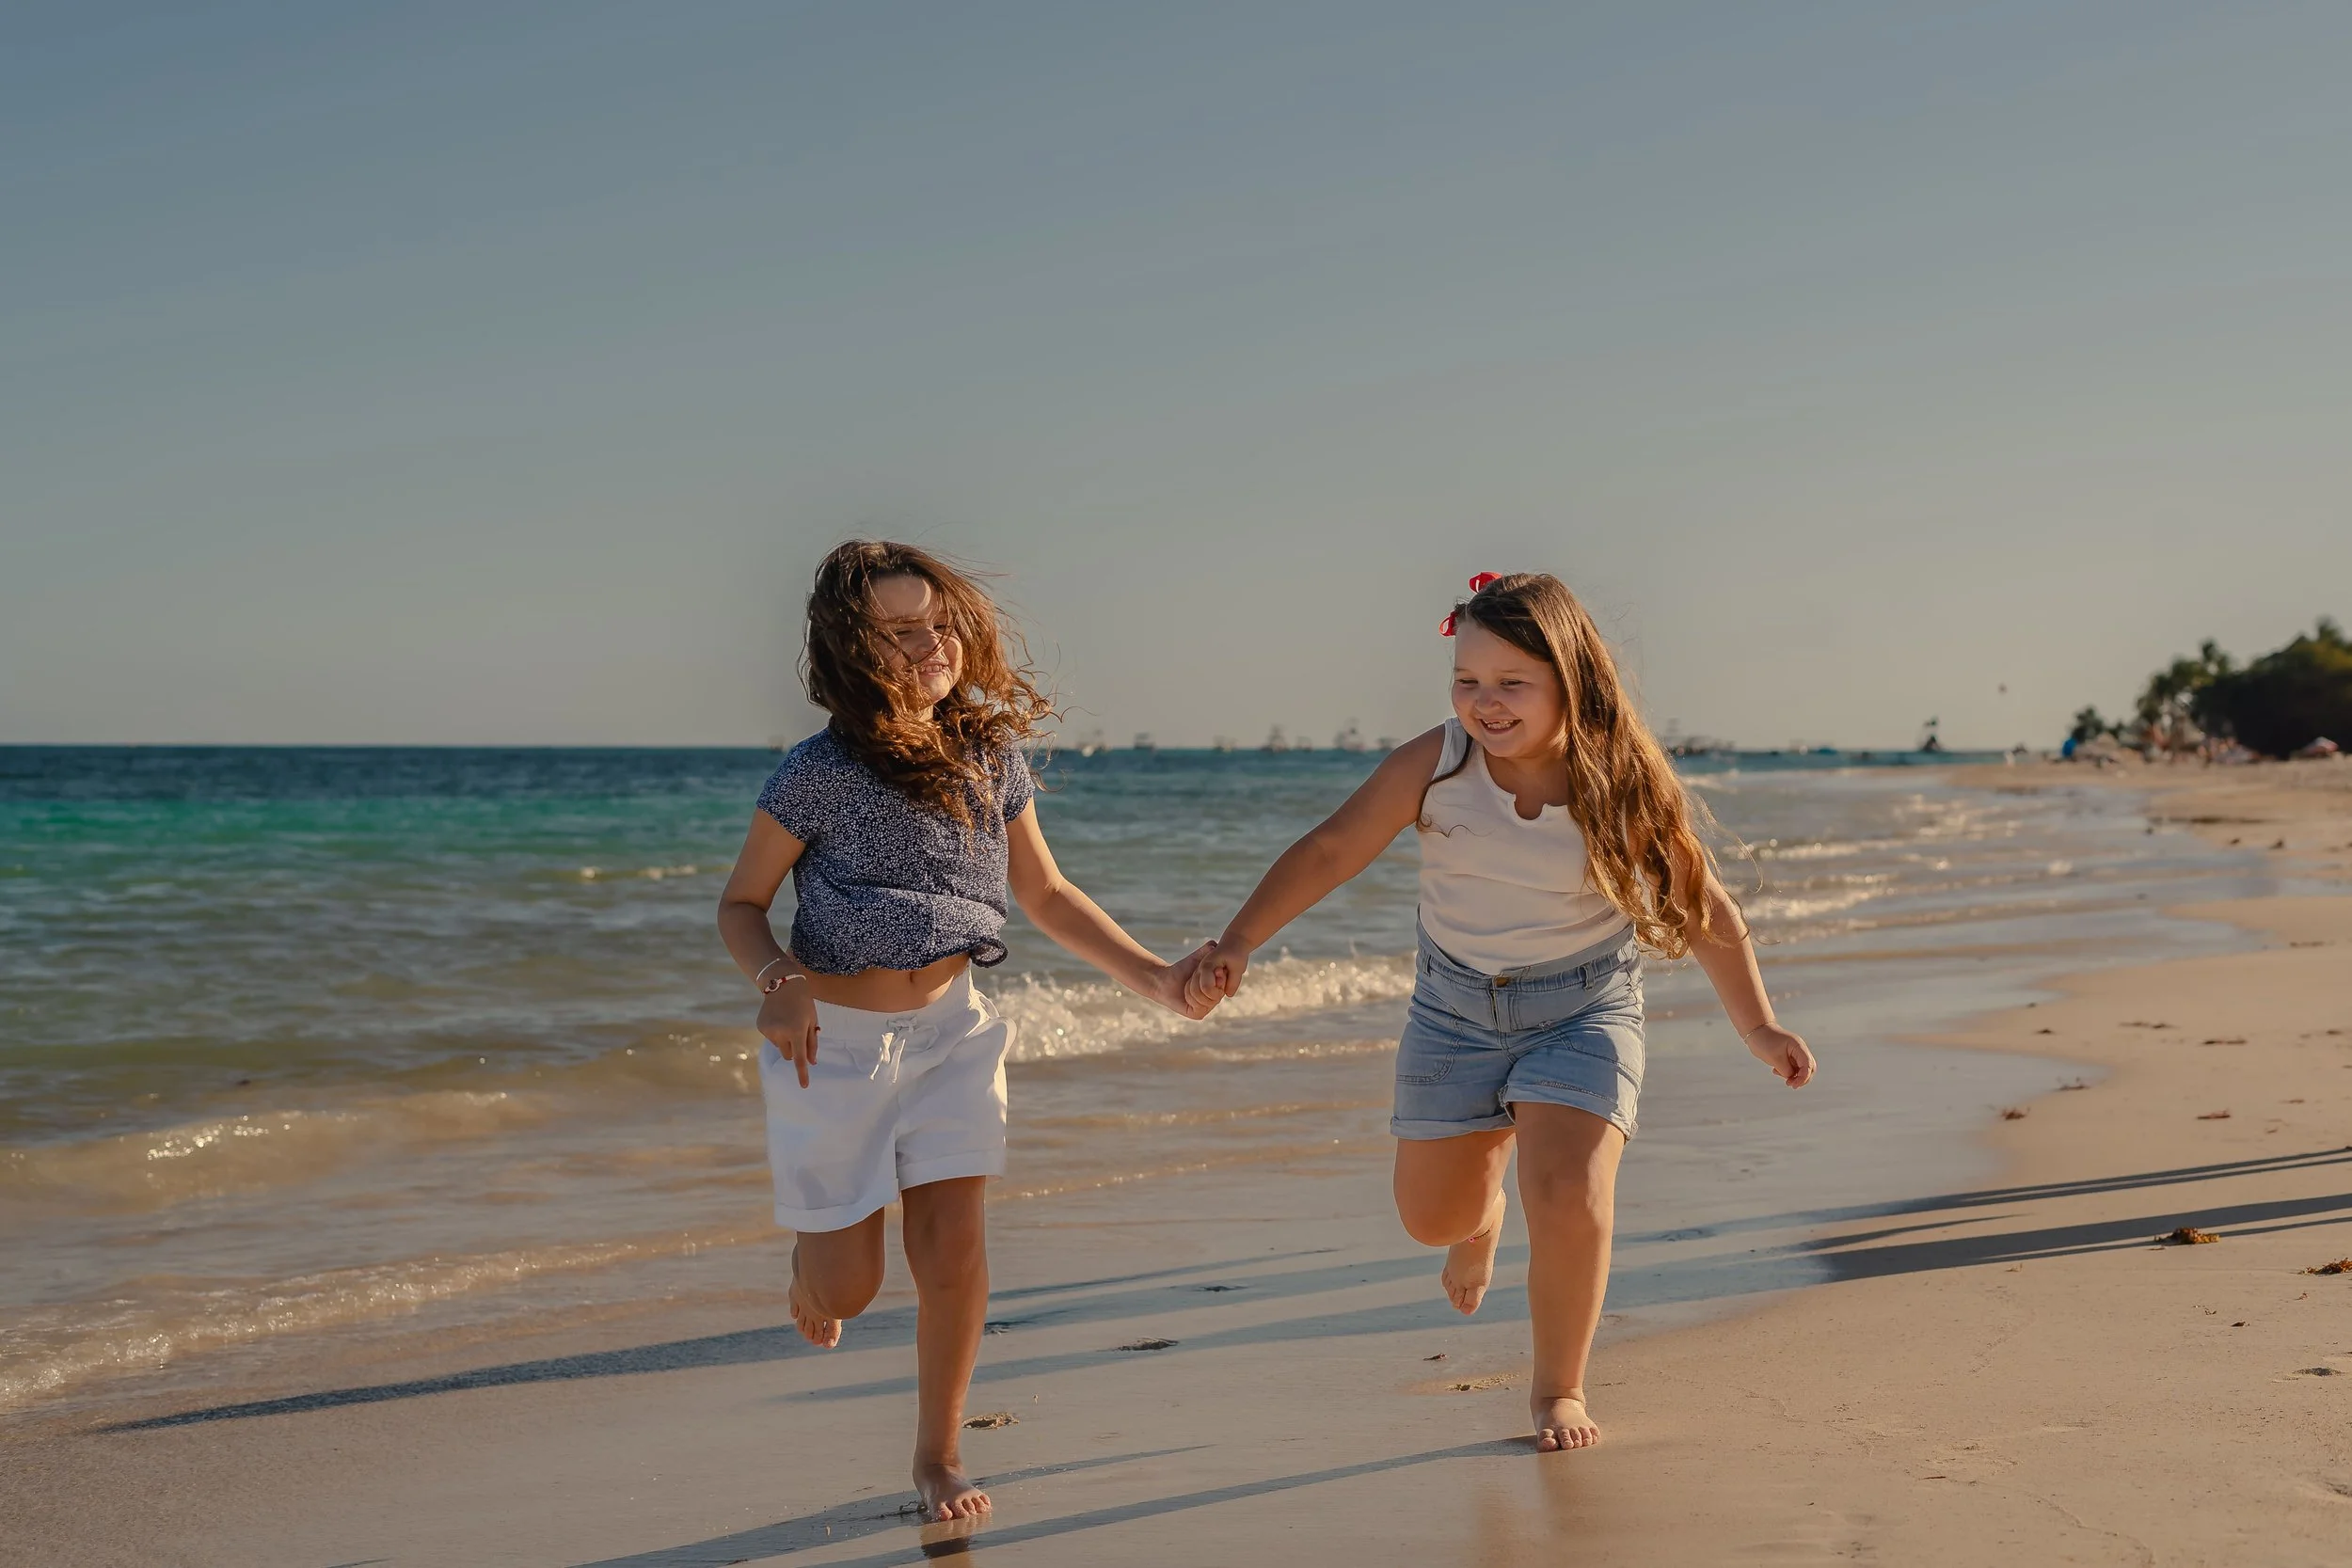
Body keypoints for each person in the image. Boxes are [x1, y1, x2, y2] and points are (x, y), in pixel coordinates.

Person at [1186, 571, 1816, 1453]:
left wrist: (1758, 1024)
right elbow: (1332, 848)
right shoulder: (1437, 762)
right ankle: (1479, 1223)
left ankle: (1559, 1387)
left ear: (1571, 681)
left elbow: (1703, 904)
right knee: (1430, 1218)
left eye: (1511, 682)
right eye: (1466, 680)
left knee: (1567, 1189)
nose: (1484, 702)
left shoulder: (1620, 778)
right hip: (1453, 1012)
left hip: (1583, 1008)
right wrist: (1239, 939)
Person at [718, 540, 1216, 1520]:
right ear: (847, 646)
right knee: (848, 1289)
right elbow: (741, 902)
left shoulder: (989, 754)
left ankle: (937, 1454)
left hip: (954, 1033)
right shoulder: (817, 770)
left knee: (954, 1253)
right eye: (899, 631)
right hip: (834, 1047)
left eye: (937, 623)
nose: (926, 645)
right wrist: (776, 977)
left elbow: (1047, 892)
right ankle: (809, 1268)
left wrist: (1156, 976)